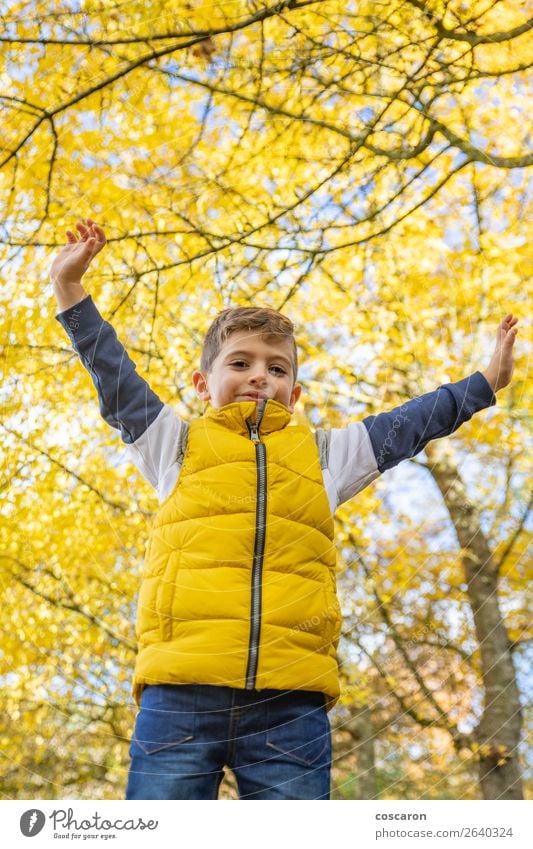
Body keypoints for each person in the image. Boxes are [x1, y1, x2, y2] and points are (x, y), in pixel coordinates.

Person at [50, 218, 519, 800]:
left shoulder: (327, 455)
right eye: (241, 362)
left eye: (277, 369)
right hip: (180, 691)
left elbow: (412, 422)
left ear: (295, 393)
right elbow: (113, 374)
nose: (259, 377)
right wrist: (70, 291)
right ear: (203, 381)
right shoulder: (175, 444)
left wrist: (487, 383)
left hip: (289, 702)